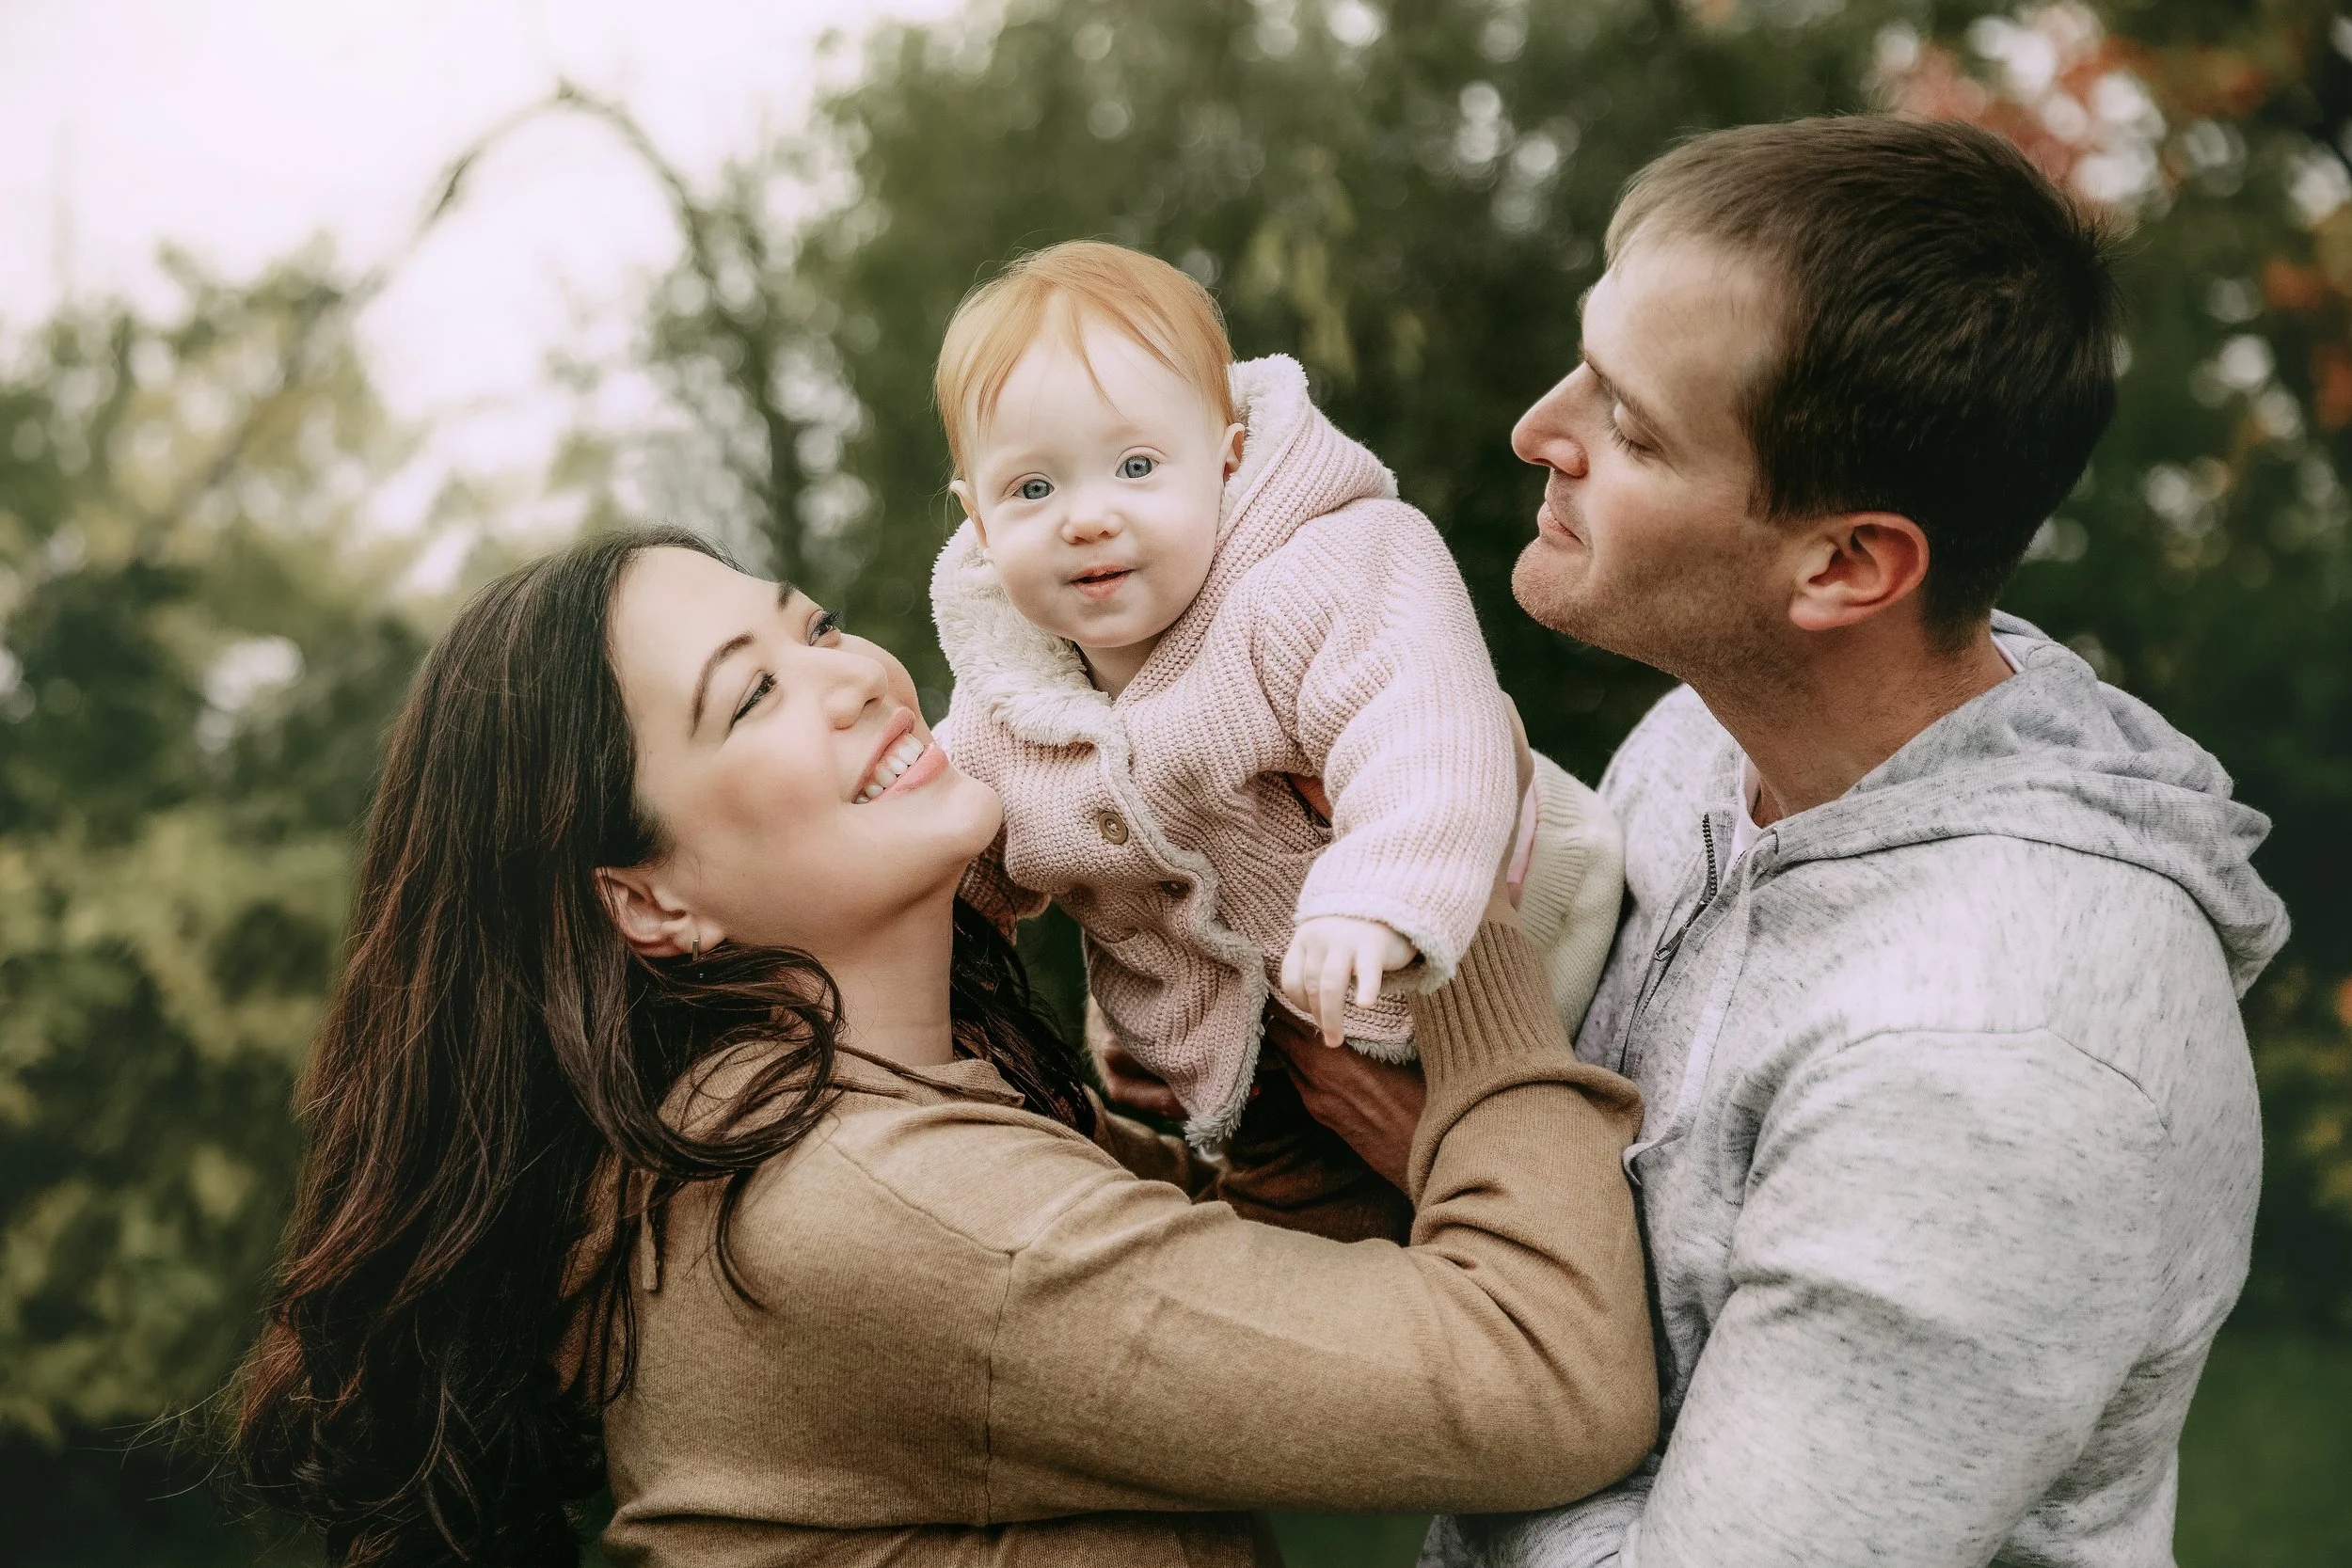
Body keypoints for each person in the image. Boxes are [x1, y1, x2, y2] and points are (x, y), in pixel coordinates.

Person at [228, 525, 1659, 1568]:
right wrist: (1440, 894)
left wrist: (1262, 1084)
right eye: (751, 695)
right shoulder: (875, 1206)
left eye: (817, 625)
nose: (851, 676)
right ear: (649, 898)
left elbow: (1311, 1299)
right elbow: (1542, 1376)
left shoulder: (806, 1123)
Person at [1405, 115, 2293, 1568]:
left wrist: (1481, 1234)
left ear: (1847, 565)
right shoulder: (1711, 738)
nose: (1537, 431)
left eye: (1629, 426)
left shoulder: (1994, 1059)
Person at [930, 240, 1622, 1149]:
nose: (1086, 515)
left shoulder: (1321, 569)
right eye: (1031, 487)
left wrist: (1372, 897)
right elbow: (944, 874)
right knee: (1309, 1264)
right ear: (978, 522)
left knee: (1549, 1174)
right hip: (1272, 1079)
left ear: (1226, 460)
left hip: (1523, 943)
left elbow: (1421, 722)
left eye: (1136, 467)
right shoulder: (1002, 708)